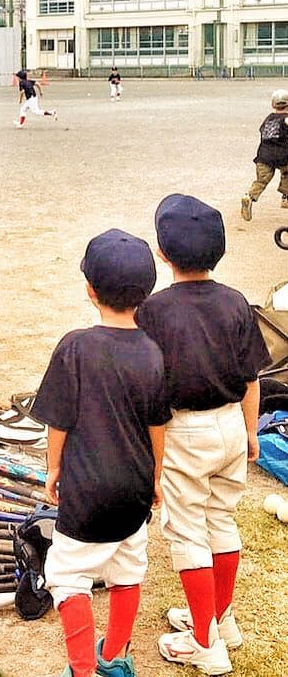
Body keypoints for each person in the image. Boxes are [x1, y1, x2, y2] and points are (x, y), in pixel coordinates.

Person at [137, 195, 270, 674]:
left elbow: (146, 385)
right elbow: (252, 378)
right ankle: (220, 618)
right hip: (232, 421)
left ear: (162, 252)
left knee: (188, 532)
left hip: (184, 431)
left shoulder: (153, 311)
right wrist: (251, 432)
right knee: (222, 520)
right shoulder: (236, 302)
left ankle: (204, 643)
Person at [32, 229, 170, 677]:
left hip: (88, 488)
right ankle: (114, 656)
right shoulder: (152, 352)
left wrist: (53, 467)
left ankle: (83, 669)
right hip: (134, 486)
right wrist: (155, 476)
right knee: (128, 568)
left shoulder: (75, 345)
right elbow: (156, 424)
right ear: (145, 293)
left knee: (69, 576)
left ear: (90, 290)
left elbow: (59, 421)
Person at [240, 89, 288, 221]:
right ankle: (286, 197)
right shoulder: (286, 119)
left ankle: (249, 196)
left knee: (261, 181)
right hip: (283, 156)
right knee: (286, 173)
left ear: (273, 105)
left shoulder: (268, 119)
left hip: (264, 156)